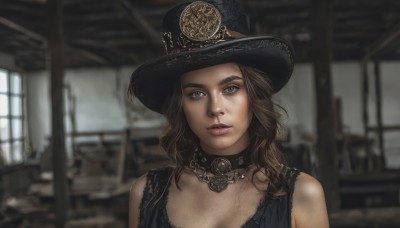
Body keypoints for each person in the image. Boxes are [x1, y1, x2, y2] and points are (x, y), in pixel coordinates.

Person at [128, 0, 329, 227]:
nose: (215, 108)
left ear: (253, 95)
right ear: (179, 105)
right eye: (196, 94)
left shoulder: (303, 193)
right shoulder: (147, 193)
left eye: (231, 88)